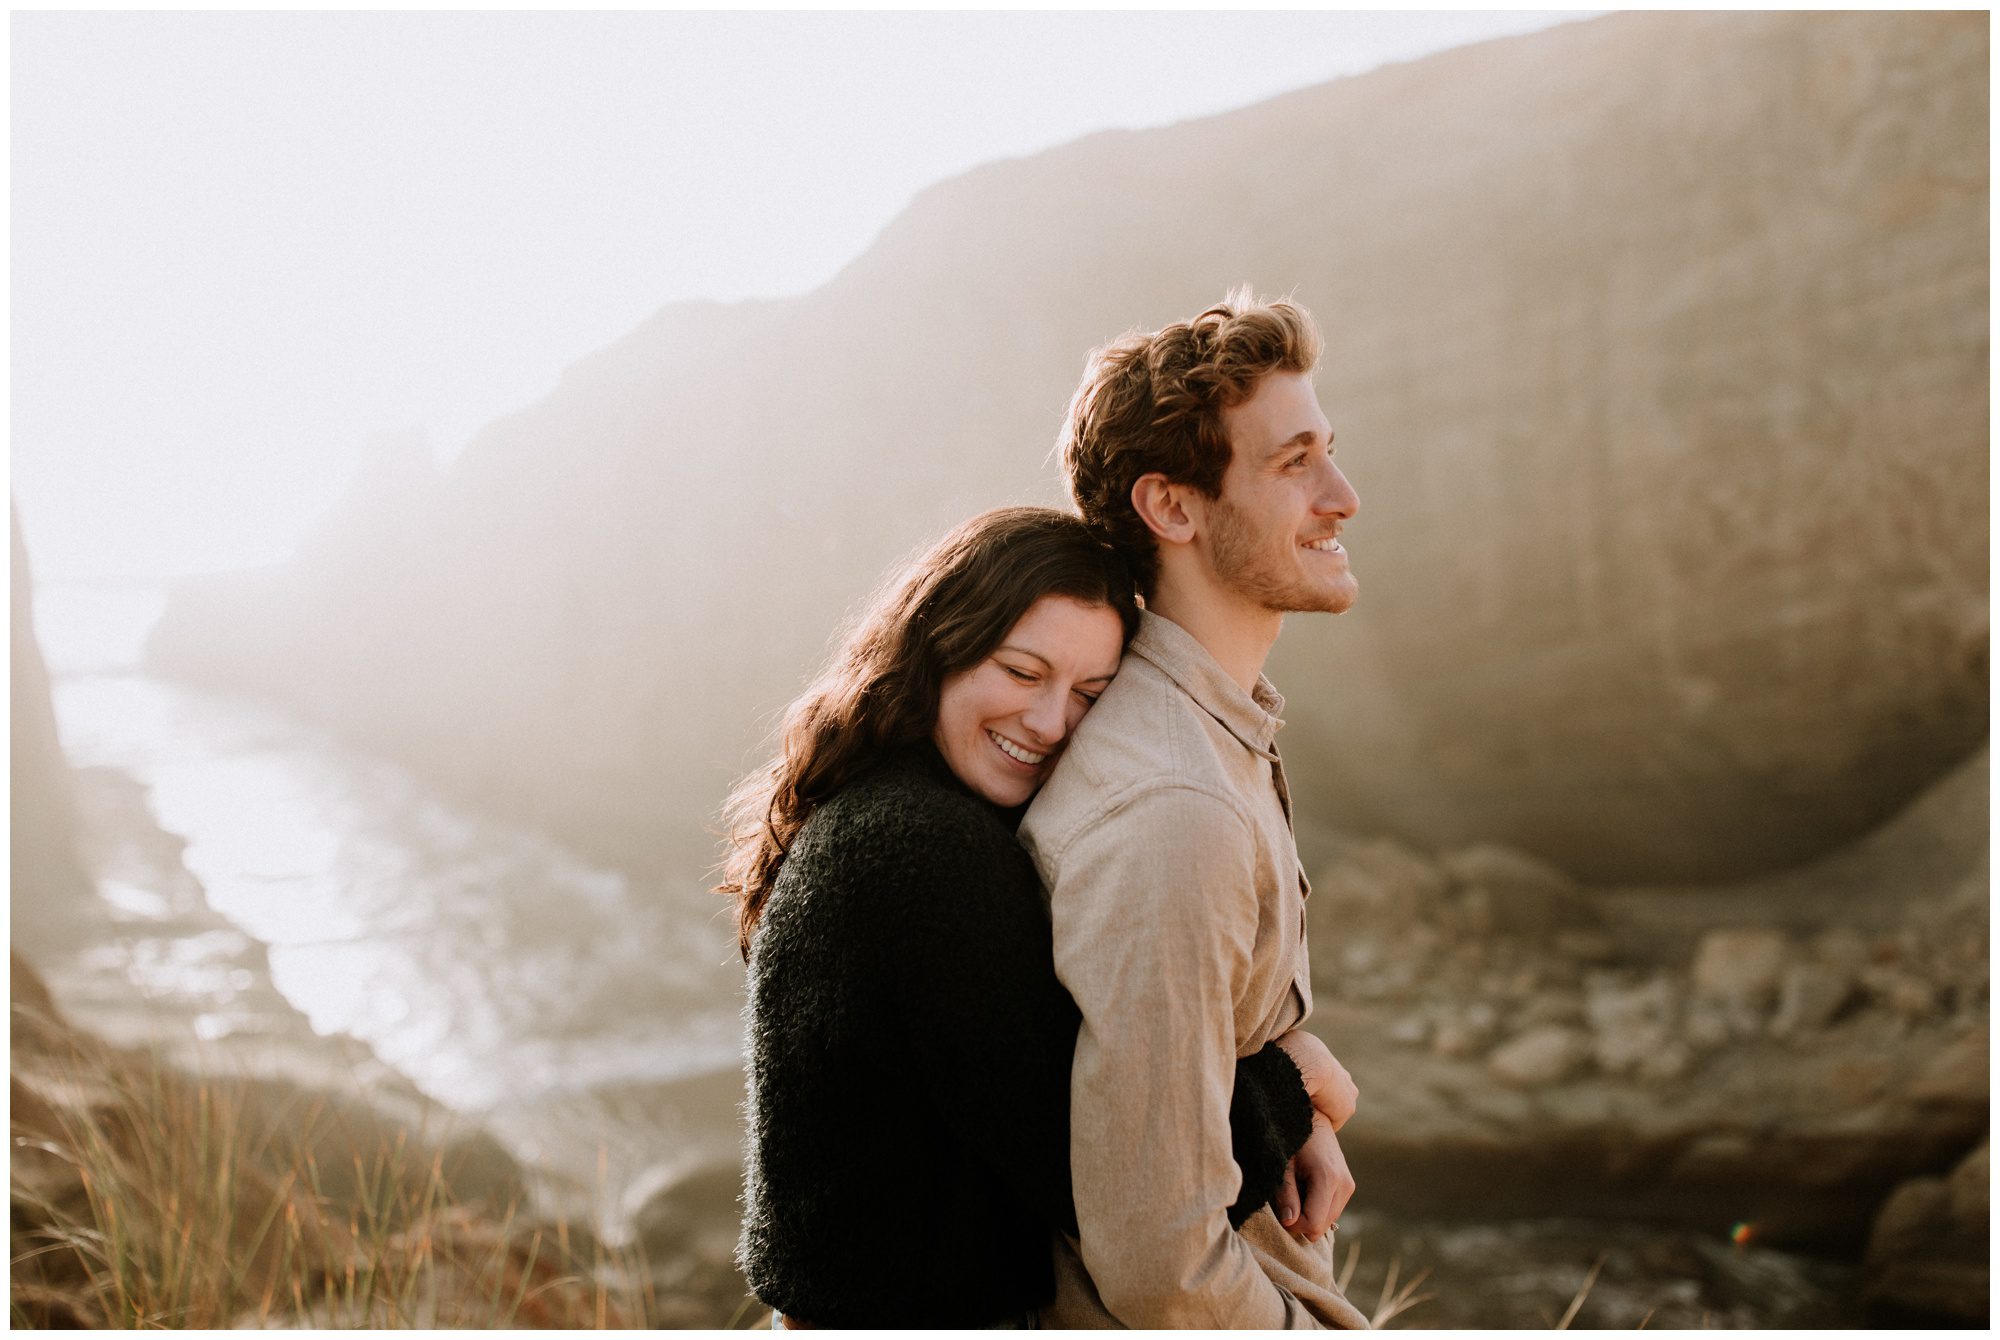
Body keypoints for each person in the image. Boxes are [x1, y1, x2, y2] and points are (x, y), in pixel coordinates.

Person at [720, 507, 1356, 1329]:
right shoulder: (917, 852)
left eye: (1091, 693)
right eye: (1023, 673)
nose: (1052, 722)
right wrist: (1291, 1081)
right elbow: (1102, 1169)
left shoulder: (890, 805)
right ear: (939, 648)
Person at [1019, 290, 1372, 1327]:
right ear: (1172, 509)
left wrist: (1282, 1069)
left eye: (1329, 452)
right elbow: (1162, 1265)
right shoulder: (1174, 807)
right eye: (1293, 462)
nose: (1343, 496)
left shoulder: (1214, 733)